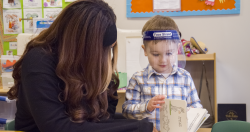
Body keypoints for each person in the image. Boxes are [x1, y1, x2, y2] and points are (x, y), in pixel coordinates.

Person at [7, 0, 156, 131]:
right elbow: (57, 127)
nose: (106, 58)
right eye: (105, 50)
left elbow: (103, 121)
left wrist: (140, 123)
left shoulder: (90, 66)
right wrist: (138, 128)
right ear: (84, 47)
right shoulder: (38, 61)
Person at [122, 15, 203, 131]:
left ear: (177, 49)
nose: (163, 60)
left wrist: (191, 115)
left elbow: (197, 108)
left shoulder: (185, 77)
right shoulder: (138, 79)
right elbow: (127, 111)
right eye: (156, 54)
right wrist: (146, 107)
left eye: (169, 53)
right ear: (145, 50)